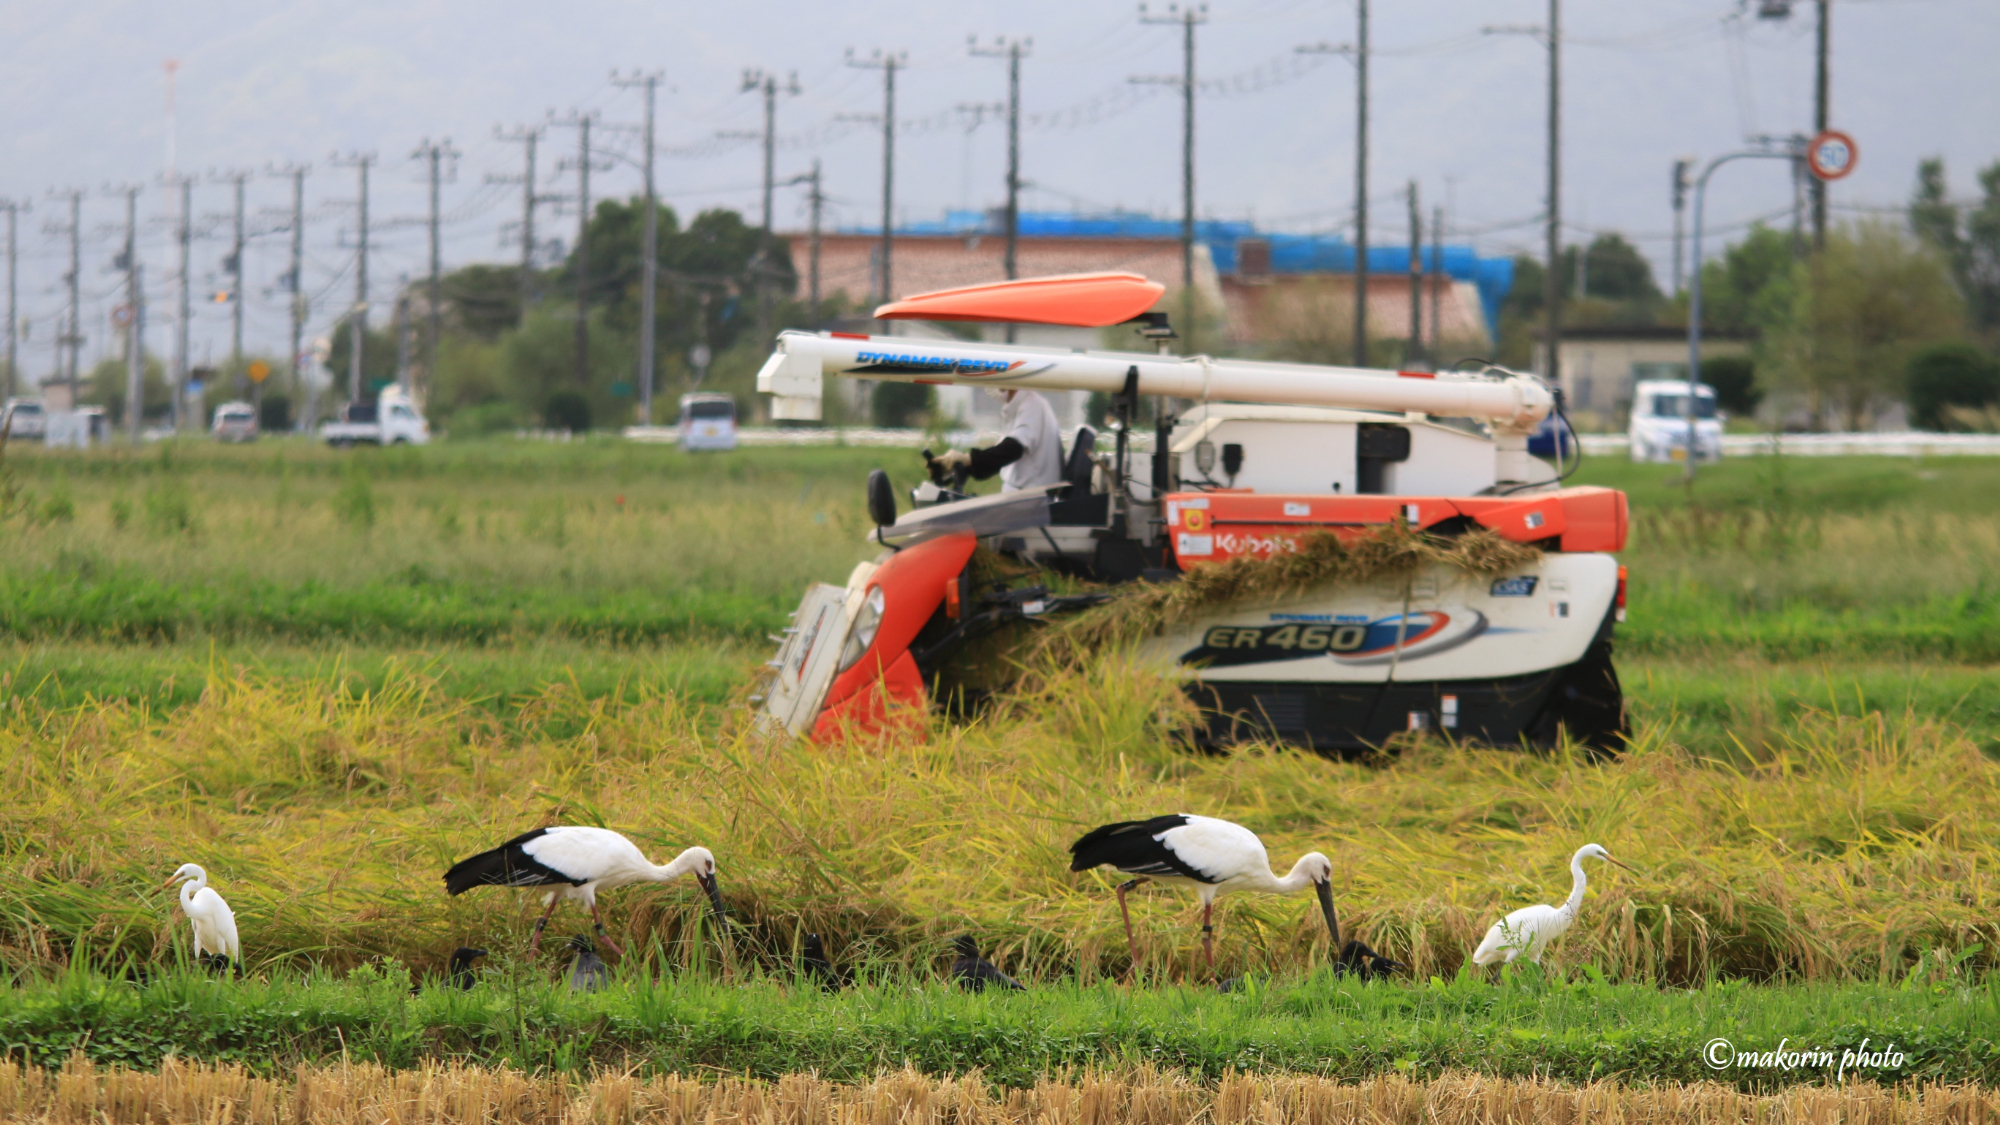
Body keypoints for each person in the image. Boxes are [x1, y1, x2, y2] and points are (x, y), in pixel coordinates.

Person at [927, 388, 1064, 492]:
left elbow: (1011, 450)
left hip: (1032, 503)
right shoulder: (1021, 406)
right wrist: (960, 466)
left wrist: (967, 459)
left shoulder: (1033, 405)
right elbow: (997, 459)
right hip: (1024, 499)